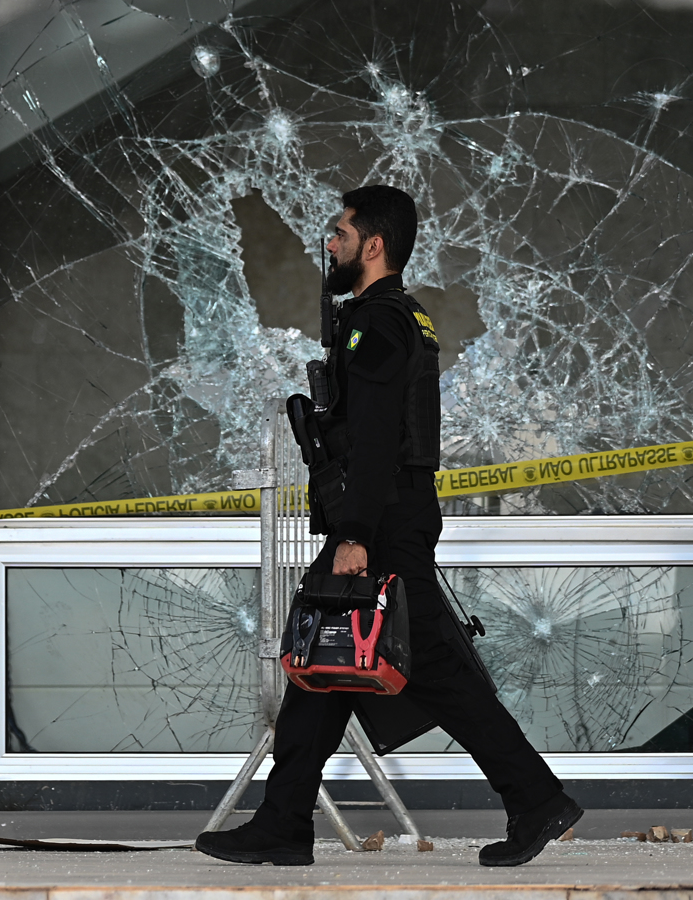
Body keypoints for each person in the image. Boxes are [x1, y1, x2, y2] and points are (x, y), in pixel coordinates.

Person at [196, 184, 583, 868]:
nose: (330, 241)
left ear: (373, 245)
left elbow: (374, 441)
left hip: (381, 523)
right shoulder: (398, 317)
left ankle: (533, 798)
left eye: (341, 232)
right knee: (329, 666)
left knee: (375, 661)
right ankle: (288, 821)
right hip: (390, 518)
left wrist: (354, 536)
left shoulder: (377, 322)